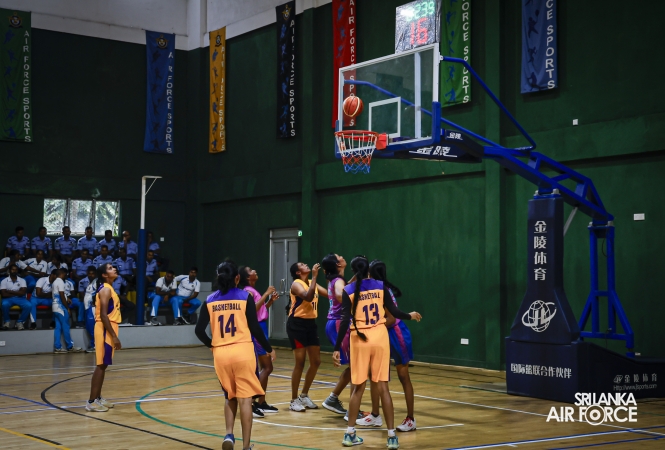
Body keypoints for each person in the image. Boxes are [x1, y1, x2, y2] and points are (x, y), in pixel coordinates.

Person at [333, 256, 422, 448]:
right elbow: (395, 313)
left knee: (358, 388)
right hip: (380, 338)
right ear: (368, 270)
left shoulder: (348, 290)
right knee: (383, 387)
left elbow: (344, 321)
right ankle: (391, 437)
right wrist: (410, 316)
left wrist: (336, 348)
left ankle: (350, 434)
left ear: (353, 272)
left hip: (360, 339)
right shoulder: (381, 286)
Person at [194, 261, 276, 450]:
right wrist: (269, 348)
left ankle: (229, 435)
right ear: (237, 278)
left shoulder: (210, 300)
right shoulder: (245, 297)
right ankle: (246, 446)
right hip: (243, 352)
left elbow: (199, 330)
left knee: (229, 396)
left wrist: (212, 345)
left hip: (221, 354)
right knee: (245, 400)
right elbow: (254, 328)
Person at [370, 259, 418, 432]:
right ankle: (375, 415)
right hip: (384, 333)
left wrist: (371, 325)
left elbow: (391, 318)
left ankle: (411, 419)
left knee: (403, 376)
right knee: (375, 375)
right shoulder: (377, 289)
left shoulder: (383, 290)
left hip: (397, 333)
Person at [238, 265, 279, 416]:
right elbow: (251, 311)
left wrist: (269, 302)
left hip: (261, 326)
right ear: (247, 277)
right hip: (257, 330)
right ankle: (254, 402)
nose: (255, 271)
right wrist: (266, 294)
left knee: (266, 367)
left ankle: (261, 402)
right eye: (251, 270)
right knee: (267, 367)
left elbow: (260, 309)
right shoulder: (247, 291)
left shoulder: (252, 290)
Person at [287, 262, 327, 412]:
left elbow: (330, 294)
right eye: (302, 265)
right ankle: (293, 400)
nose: (306, 265)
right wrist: (315, 277)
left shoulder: (311, 282)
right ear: (298, 272)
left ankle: (304, 395)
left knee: (316, 361)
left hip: (310, 324)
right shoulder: (296, 284)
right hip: (296, 324)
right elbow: (308, 297)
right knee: (300, 363)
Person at [86, 263, 122, 412]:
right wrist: (114, 336)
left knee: (104, 364)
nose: (114, 269)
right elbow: (103, 315)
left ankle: (98, 398)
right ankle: (91, 402)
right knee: (100, 365)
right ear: (104, 275)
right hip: (105, 328)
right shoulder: (106, 289)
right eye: (110, 268)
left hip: (109, 327)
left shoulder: (109, 288)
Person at [320, 253, 353, 415]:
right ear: (337, 264)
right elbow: (340, 296)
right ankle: (352, 410)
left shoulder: (335, 280)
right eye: (339, 256)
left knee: (356, 366)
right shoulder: (338, 281)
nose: (342, 256)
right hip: (340, 323)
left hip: (335, 323)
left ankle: (333, 399)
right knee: (357, 366)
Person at [52, 269, 83, 353]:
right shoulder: (61, 282)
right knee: (66, 327)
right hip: (61, 307)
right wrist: (67, 308)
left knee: (58, 328)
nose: (66, 276)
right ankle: (70, 346)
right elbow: (61, 295)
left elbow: (60, 294)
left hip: (55, 307)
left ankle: (57, 347)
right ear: (62, 273)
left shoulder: (55, 282)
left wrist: (67, 298)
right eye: (65, 274)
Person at [0, 263, 31, 330]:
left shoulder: (22, 280)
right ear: (9, 270)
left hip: (20, 298)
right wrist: (18, 292)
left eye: (16, 269)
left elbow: (23, 293)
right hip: (8, 299)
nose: (14, 271)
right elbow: (4, 294)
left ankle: (19, 322)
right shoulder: (4, 281)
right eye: (13, 269)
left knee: (28, 305)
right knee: (4, 304)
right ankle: (7, 322)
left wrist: (10, 291)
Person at [79, 266, 98, 352]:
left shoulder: (97, 282)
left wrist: (95, 302)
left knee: (92, 327)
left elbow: (99, 293)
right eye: (89, 274)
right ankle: (93, 344)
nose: (91, 275)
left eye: (93, 274)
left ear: (95, 274)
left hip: (93, 307)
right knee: (89, 327)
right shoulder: (88, 283)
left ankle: (95, 345)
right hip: (87, 307)